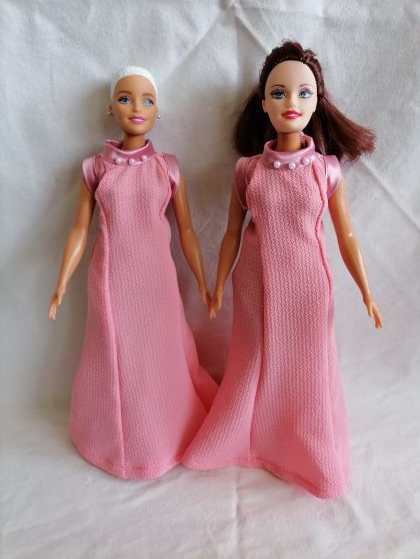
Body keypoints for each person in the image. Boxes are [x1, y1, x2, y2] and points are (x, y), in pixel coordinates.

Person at [183, 42, 382, 499]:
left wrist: (366, 290)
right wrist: (217, 284)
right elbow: (231, 234)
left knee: (307, 367)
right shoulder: (248, 170)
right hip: (254, 284)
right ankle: (249, 437)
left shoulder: (326, 171)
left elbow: (347, 235)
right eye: (279, 93)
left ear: (317, 102)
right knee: (254, 360)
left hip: (309, 285)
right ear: (263, 103)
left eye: (303, 93)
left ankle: (306, 450)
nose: (291, 102)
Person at [49, 66, 217, 479]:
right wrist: (61, 284)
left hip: (157, 280)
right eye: (125, 99)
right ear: (111, 107)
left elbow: (188, 230)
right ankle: (109, 438)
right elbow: (79, 229)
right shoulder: (95, 168)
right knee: (115, 358)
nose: (136, 107)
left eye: (147, 100)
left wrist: (201, 280)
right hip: (111, 280)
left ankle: (165, 432)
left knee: (159, 355)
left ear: (158, 110)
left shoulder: (168, 168)